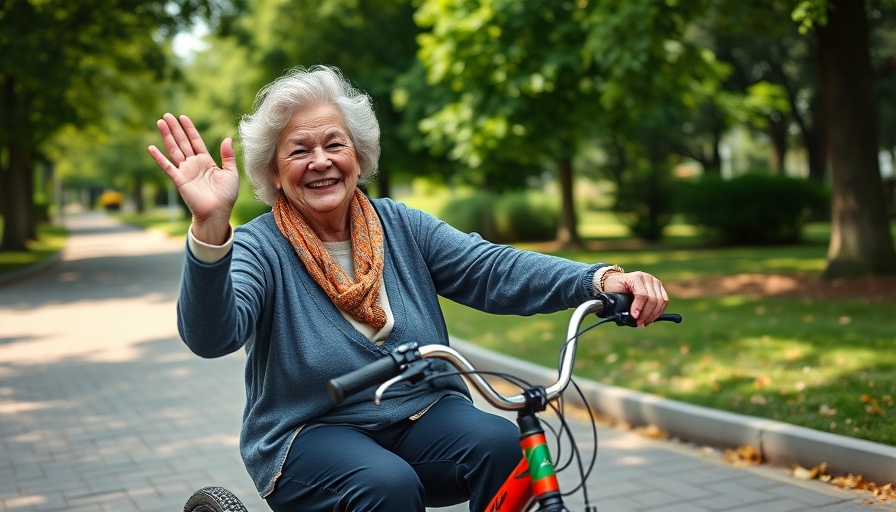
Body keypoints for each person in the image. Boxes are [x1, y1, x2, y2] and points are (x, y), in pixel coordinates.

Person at [148, 65, 669, 512]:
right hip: (307, 432)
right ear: (273, 172)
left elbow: (492, 269)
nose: (321, 161)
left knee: (506, 446)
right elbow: (211, 336)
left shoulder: (400, 226)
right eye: (299, 150)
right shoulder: (261, 248)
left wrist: (598, 279)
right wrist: (212, 229)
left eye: (335, 143)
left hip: (421, 411)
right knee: (387, 484)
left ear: (359, 154)